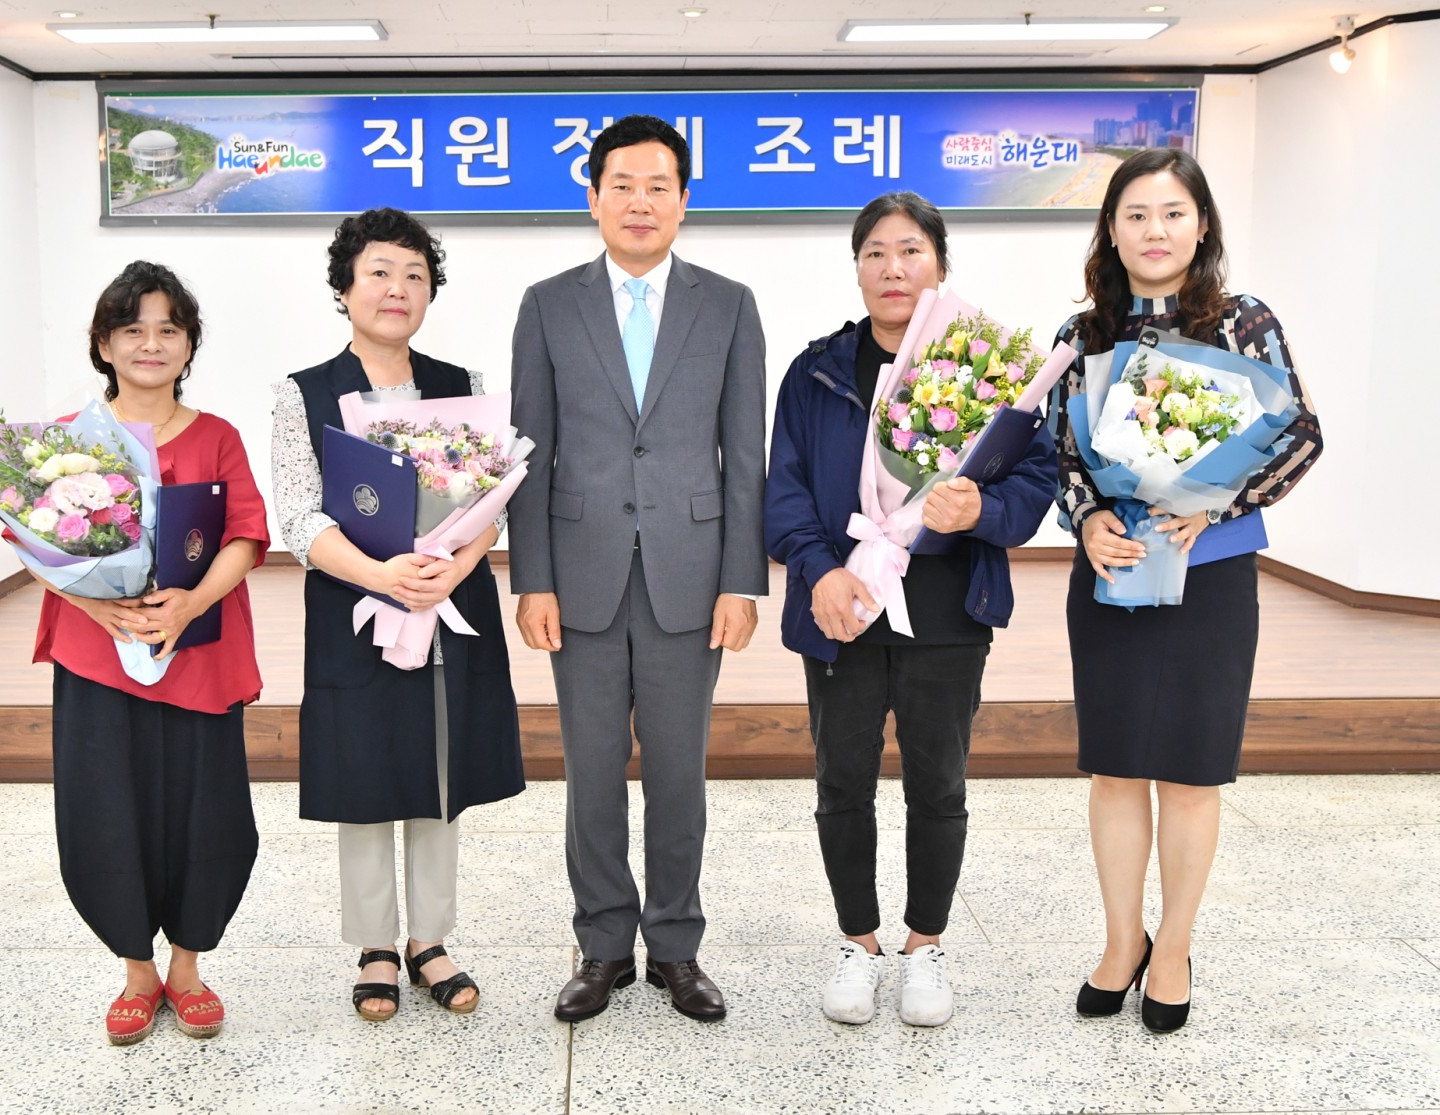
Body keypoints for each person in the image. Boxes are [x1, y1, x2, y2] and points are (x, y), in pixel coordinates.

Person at [764, 192, 1057, 1027]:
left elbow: (1035, 478)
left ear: (940, 264)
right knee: (841, 780)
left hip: (946, 609)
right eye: (876, 254)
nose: (893, 268)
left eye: (911, 251)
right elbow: (782, 490)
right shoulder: (815, 370)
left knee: (938, 783)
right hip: (842, 608)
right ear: (857, 269)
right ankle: (858, 942)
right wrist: (819, 572)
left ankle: (926, 944)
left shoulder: (988, 369)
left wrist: (982, 511)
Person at [1050, 148, 1322, 1033]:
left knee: (1193, 772)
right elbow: (1056, 453)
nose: (1154, 230)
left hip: (1209, 577)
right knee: (1116, 768)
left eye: (1172, 212)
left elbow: (1300, 434)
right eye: (1135, 214)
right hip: (1114, 574)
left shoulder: (1243, 322)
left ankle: (1174, 948)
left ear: (1201, 224)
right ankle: (1121, 940)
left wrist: (1216, 504)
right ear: (1111, 230)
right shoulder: (1082, 333)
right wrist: (1089, 517)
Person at [509, 114, 768, 1023]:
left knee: (678, 775)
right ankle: (603, 945)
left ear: (684, 200)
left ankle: (678, 947)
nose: (640, 201)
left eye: (659, 186)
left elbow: (744, 455)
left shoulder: (728, 304)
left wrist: (742, 580)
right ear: (594, 197)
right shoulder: (548, 304)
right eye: (622, 184)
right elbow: (528, 451)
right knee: (590, 773)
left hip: (689, 577)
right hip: (578, 574)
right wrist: (530, 578)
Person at [271, 208, 524, 1022]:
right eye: (379, 272)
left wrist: (455, 564)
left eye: (415, 275)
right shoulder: (303, 392)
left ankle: (430, 939)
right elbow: (298, 516)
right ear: (345, 287)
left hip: (448, 600)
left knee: (441, 764)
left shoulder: (464, 385)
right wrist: (382, 574)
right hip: (355, 602)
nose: (397, 288)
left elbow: (491, 503)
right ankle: (376, 942)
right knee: (365, 765)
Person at [28, 260, 268, 1045]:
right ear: (104, 343)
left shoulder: (217, 435)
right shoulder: (70, 439)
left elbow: (246, 535)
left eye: (169, 329)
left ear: (190, 343)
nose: (151, 344)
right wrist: (94, 603)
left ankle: (188, 968)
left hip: (197, 654)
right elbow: (34, 544)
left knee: (208, 811)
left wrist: (193, 600)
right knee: (104, 808)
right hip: (98, 655)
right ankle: (137, 970)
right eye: (133, 329)